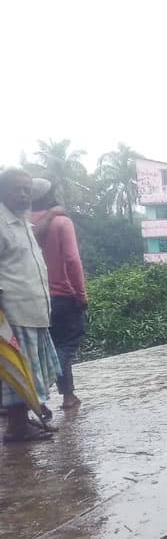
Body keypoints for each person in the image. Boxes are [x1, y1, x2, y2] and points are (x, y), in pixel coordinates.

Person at [0, 169, 62, 442]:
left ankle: (23, 421)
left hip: (33, 309)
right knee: (18, 370)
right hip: (14, 310)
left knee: (29, 371)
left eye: (27, 188)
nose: (24, 194)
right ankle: (16, 427)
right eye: (17, 189)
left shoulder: (23, 222)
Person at [30, 178, 87, 410]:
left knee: (46, 347)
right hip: (63, 295)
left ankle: (68, 396)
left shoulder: (22, 223)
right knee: (66, 346)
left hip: (34, 296)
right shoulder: (62, 222)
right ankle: (48, 393)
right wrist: (81, 294)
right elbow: (72, 260)